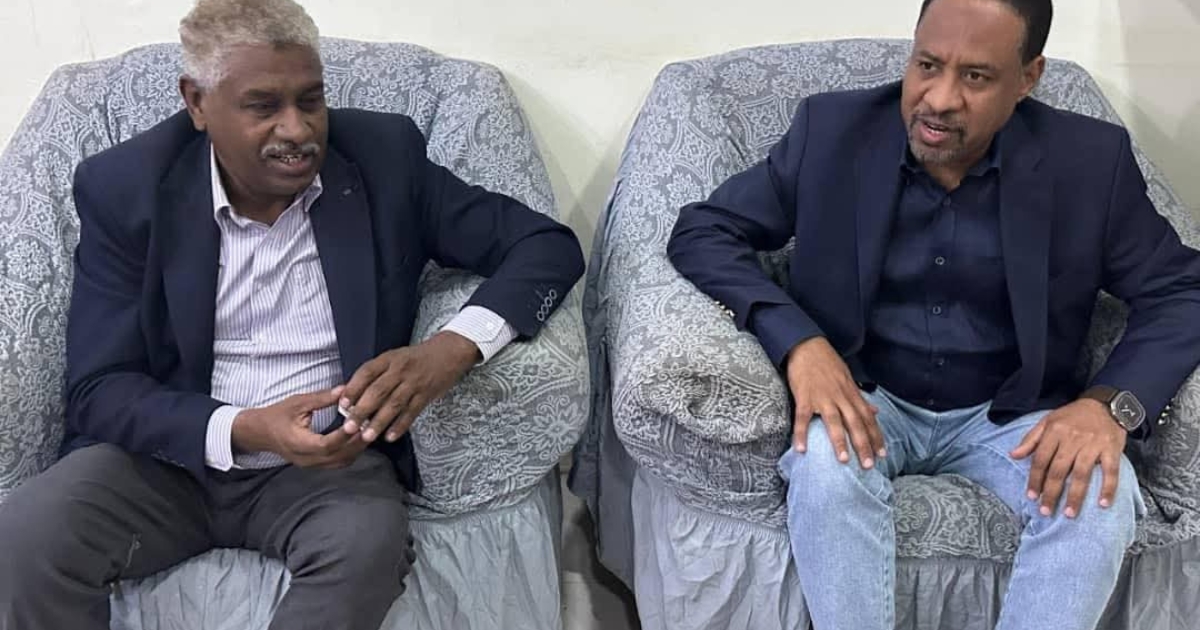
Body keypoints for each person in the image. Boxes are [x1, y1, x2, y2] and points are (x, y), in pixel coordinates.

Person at [0, 1, 584, 628]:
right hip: (166, 459)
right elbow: (99, 387)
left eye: (311, 101)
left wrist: (450, 349)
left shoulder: (383, 159)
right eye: (263, 107)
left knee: (367, 547)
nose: (298, 130)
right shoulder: (127, 188)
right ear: (197, 103)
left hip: (328, 465)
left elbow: (545, 246)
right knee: (24, 540)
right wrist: (245, 428)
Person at [667, 0, 1200, 628]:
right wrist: (799, 344)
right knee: (825, 472)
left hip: (1013, 414)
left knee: (1100, 498)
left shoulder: (1089, 162)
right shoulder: (832, 132)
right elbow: (704, 231)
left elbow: (1182, 290)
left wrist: (1111, 406)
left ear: (1028, 77)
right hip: (865, 394)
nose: (939, 99)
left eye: (975, 76)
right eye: (927, 65)